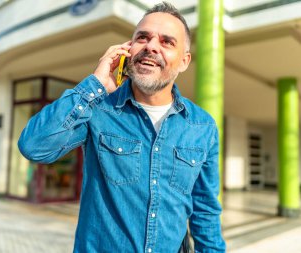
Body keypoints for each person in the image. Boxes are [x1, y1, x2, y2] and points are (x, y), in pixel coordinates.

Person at [18, 1, 226, 252]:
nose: (151, 46)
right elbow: (34, 146)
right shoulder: (98, 109)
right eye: (143, 37)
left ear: (184, 61)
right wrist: (95, 84)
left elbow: (205, 211)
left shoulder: (202, 126)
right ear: (128, 48)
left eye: (166, 42)